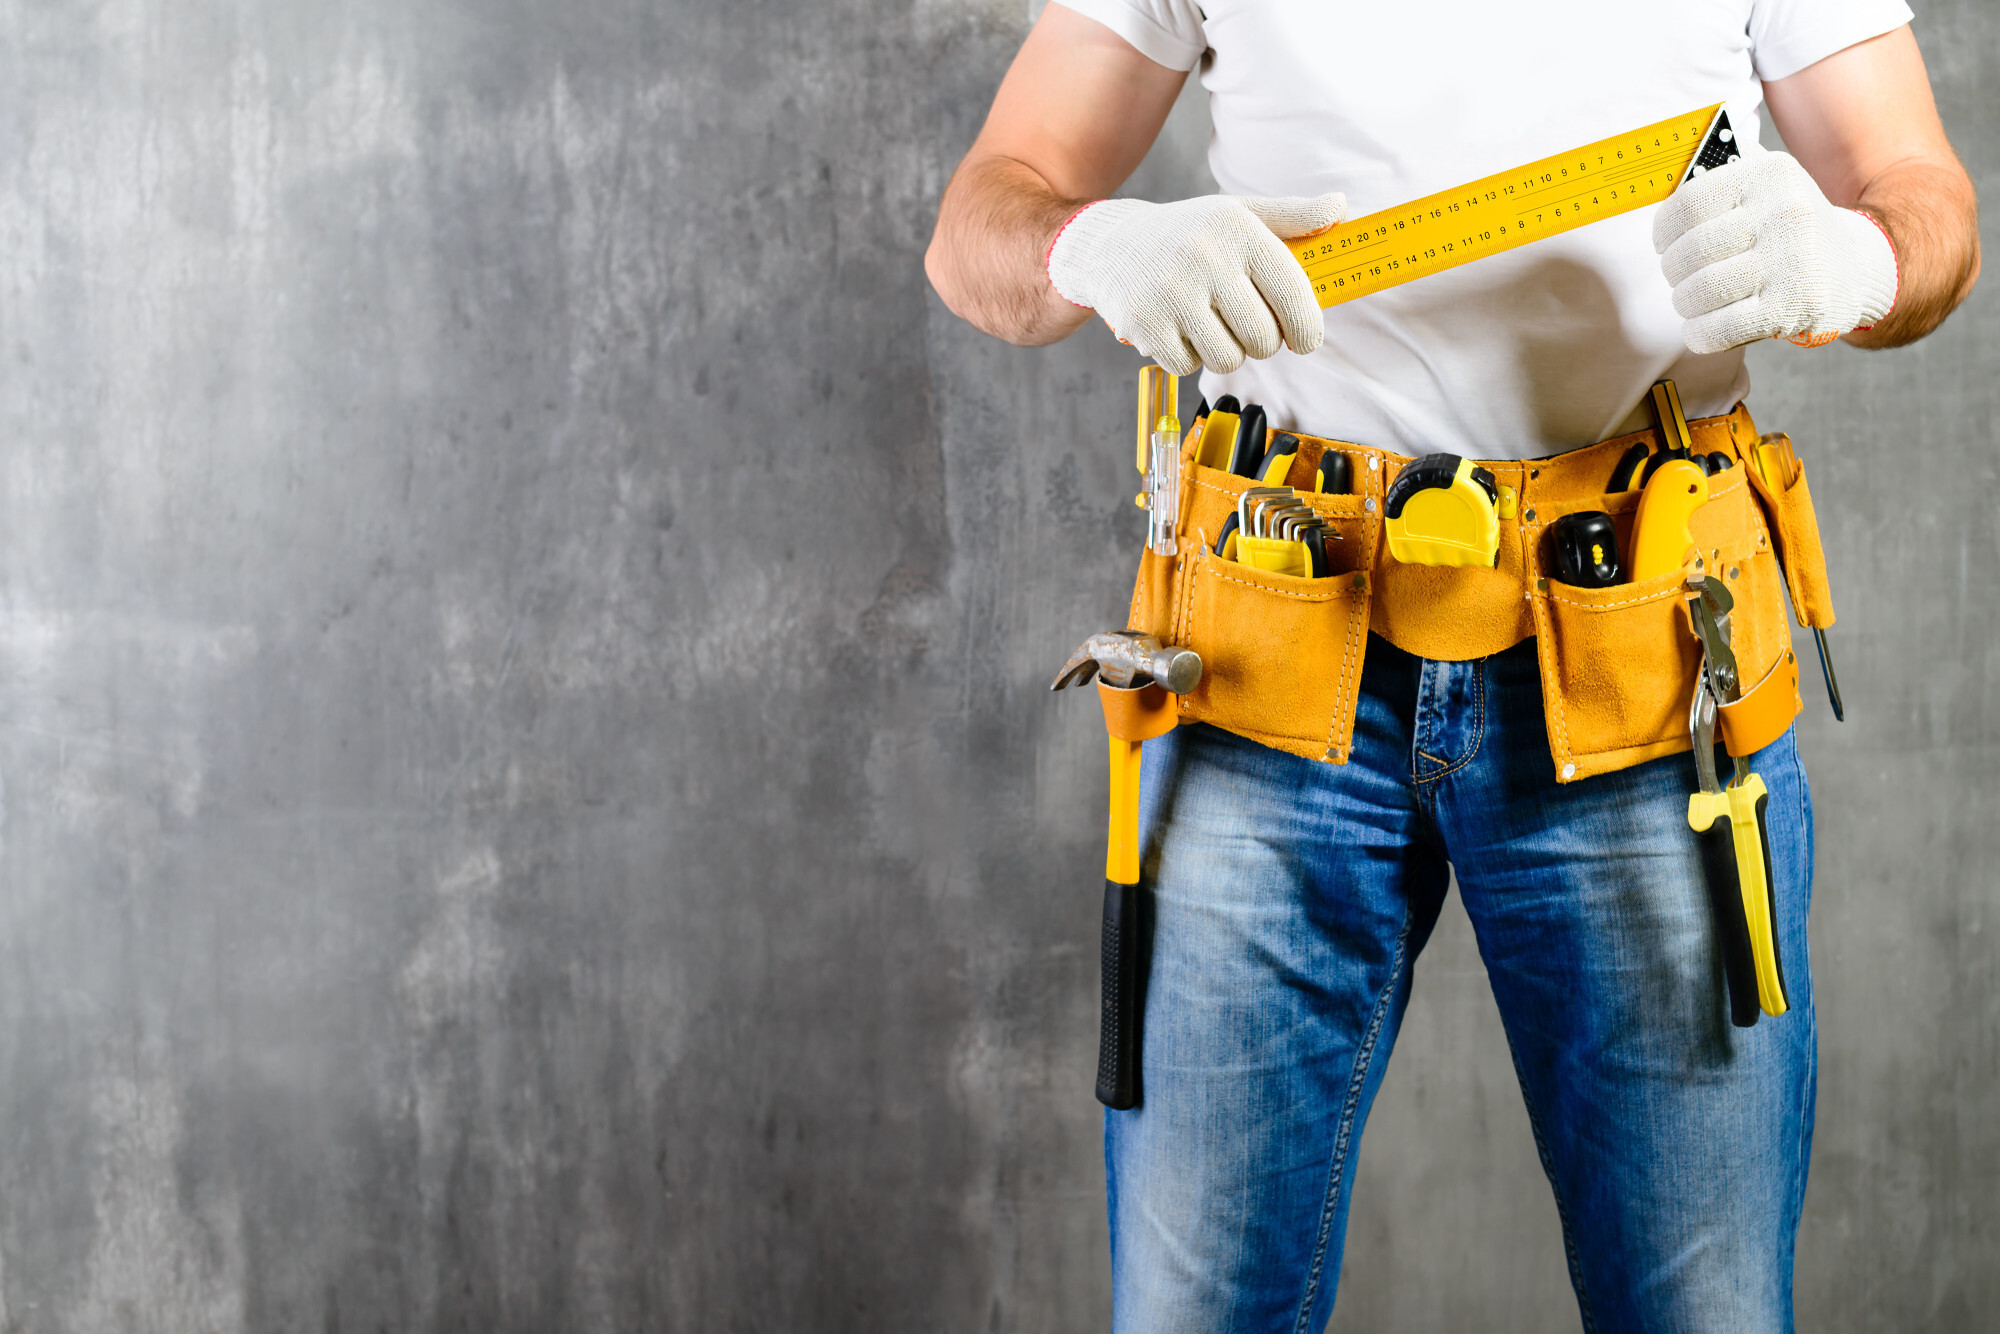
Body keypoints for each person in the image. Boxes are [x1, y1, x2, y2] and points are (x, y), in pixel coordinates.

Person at [926, 2, 1979, 1331]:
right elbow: (979, 230)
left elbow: (1929, 205)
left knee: (1702, 1309)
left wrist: (1862, 260)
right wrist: (1088, 243)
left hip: (1645, 661)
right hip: (1268, 651)